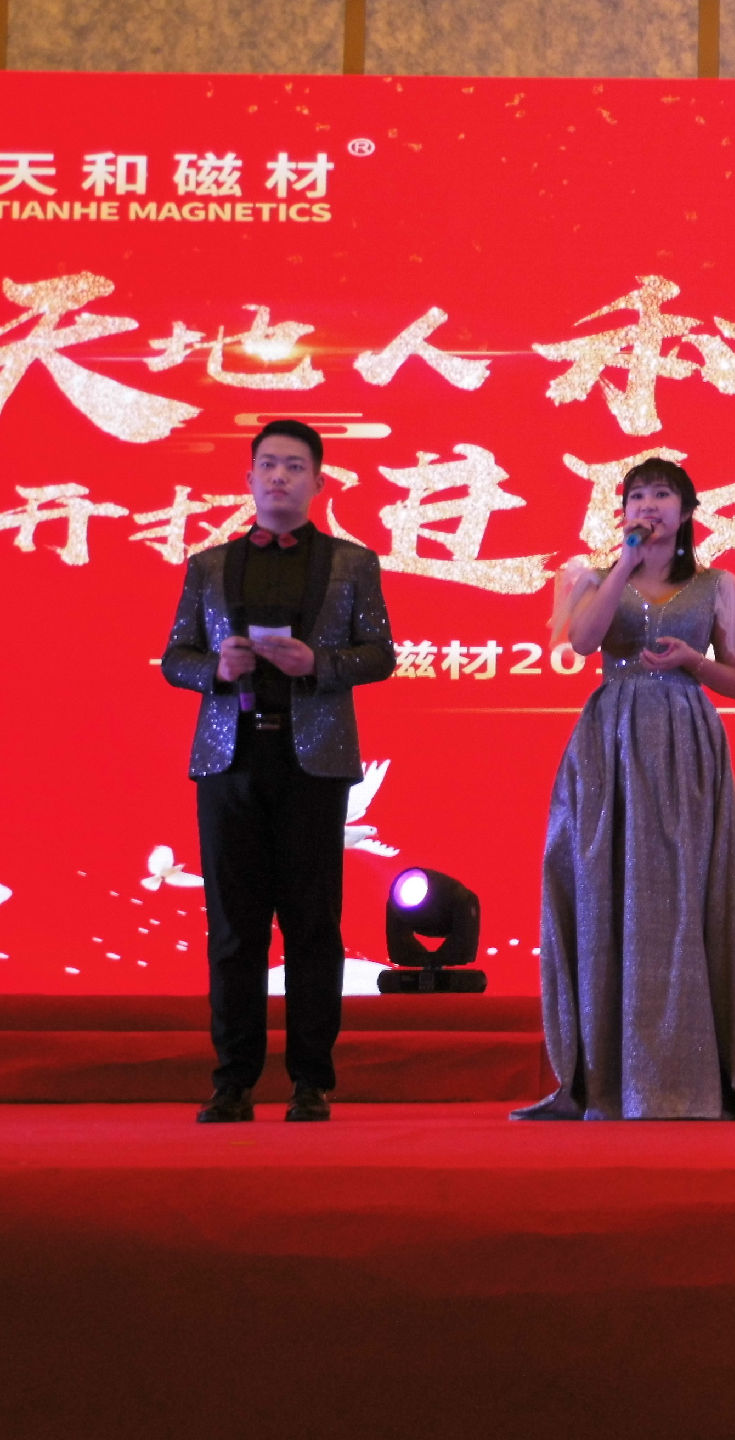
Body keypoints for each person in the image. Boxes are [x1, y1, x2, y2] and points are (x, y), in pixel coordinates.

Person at [514, 458, 735, 1120]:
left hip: (686, 741)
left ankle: (695, 1068)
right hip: (611, 742)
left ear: (685, 513)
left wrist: (691, 661)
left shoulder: (717, 586)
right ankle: (612, 1073)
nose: (647, 505)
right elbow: (584, 643)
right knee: (609, 885)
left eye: (662, 495)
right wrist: (624, 563)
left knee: (687, 886)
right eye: (636, 496)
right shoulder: (593, 577)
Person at [160, 419, 396, 1123]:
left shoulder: (352, 563)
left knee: (312, 924)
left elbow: (380, 654)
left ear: (318, 482)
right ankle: (232, 1082)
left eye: (295, 466)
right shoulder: (209, 565)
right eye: (268, 464)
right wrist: (217, 668)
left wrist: (317, 663)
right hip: (229, 760)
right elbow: (175, 658)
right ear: (249, 478)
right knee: (234, 928)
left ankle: (311, 1081)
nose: (280, 477)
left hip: (313, 762)